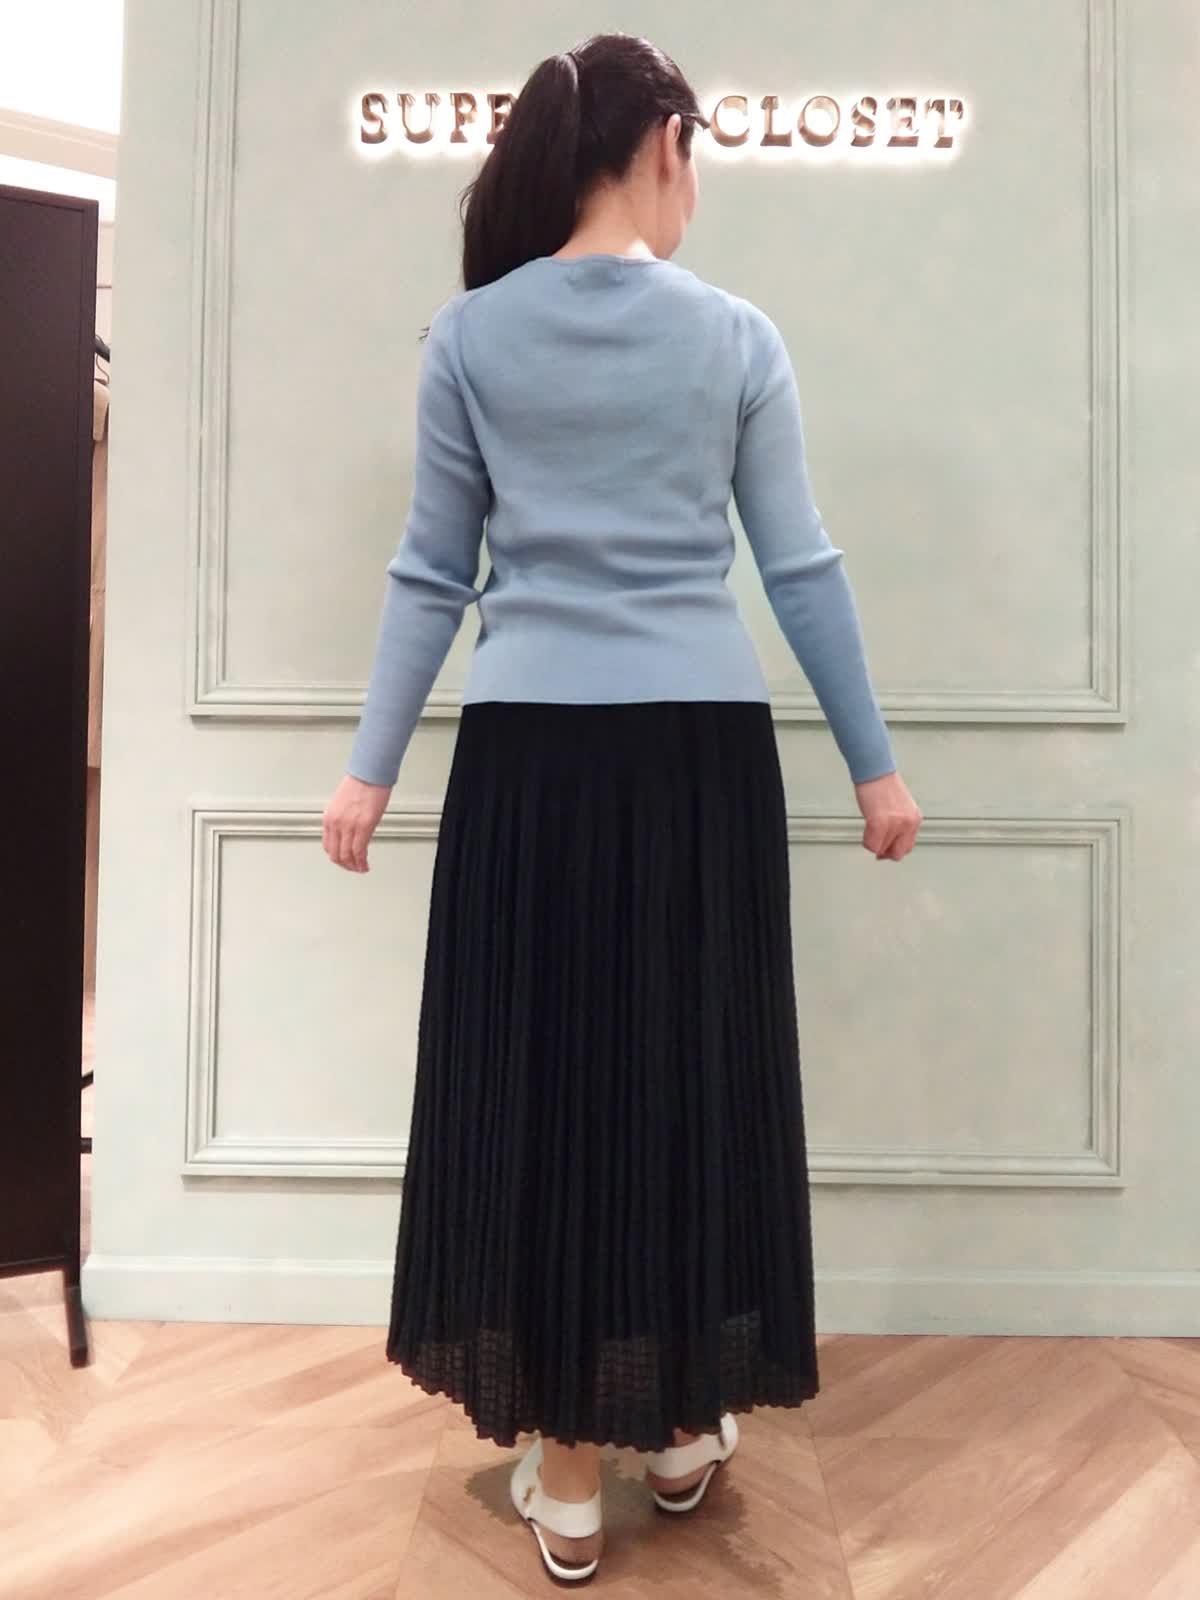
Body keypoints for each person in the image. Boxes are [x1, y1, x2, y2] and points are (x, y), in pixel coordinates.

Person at [322, 31, 922, 1586]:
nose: (694, 189)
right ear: (663, 146)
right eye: (693, 160)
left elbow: (430, 575)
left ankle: (574, 1477)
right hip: (697, 761)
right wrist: (874, 763)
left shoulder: (470, 337)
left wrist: (369, 768)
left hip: (528, 762)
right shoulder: (736, 337)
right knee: (682, 1082)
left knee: (539, 1091)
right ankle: (677, 1429)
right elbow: (801, 568)